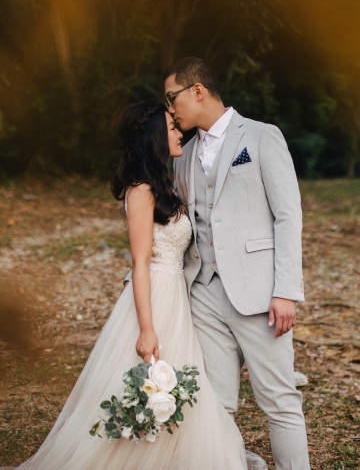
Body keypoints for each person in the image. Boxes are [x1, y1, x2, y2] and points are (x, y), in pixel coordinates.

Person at [14, 102, 247, 470]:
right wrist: (147, 329)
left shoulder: (163, 184)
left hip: (176, 297)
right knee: (145, 384)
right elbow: (139, 263)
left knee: (177, 385)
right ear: (155, 137)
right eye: (172, 128)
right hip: (154, 296)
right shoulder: (140, 191)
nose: (179, 133)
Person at [164, 57, 311, 470]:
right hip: (204, 293)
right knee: (215, 404)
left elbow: (288, 214)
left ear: (198, 90)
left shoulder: (263, 137)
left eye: (171, 97)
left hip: (260, 292)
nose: (169, 108)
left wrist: (285, 290)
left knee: (279, 399)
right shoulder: (184, 155)